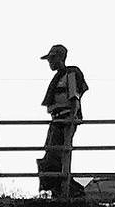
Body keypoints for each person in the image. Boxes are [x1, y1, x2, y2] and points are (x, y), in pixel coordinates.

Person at [38, 44, 89, 199]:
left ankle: (68, 190)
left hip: (65, 120)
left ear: (60, 58)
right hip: (57, 120)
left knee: (58, 154)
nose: (50, 62)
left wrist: (72, 119)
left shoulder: (70, 74)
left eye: (52, 58)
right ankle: (58, 188)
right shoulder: (59, 76)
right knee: (52, 153)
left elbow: (74, 96)